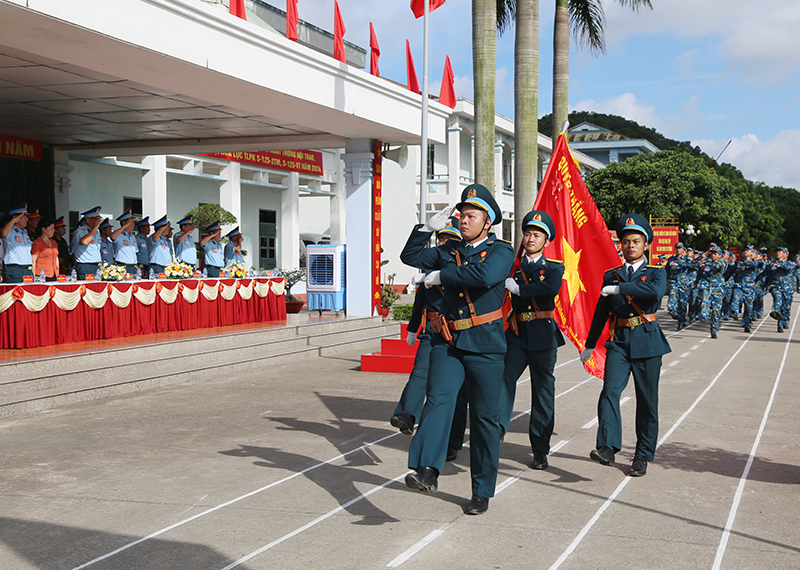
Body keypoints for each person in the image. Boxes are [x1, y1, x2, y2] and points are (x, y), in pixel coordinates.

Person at [399, 184, 514, 515]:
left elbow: (484, 275)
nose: (464, 220)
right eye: (461, 215)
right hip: (447, 342)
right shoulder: (448, 250)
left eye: (471, 215)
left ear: (487, 222)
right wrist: (425, 230)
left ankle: (481, 490)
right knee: (438, 400)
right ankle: (427, 470)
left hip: (485, 345)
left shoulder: (501, 251)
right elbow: (410, 257)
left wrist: (439, 276)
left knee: (484, 419)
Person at [580, 214, 671, 477]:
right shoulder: (612, 274)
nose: (630, 246)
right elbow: (601, 311)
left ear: (646, 245)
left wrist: (620, 290)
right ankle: (607, 446)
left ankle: (642, 454)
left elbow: (654, 293)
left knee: (647, 401)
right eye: (626, 241)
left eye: (636, 241)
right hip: (619, 341)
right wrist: (589, 344)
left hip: (647, 341)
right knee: (610, 390)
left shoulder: (656, 272)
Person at [501, 211, 565, 470]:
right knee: (502, 381)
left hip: (542, 335)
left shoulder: (553, 267)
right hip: (517, 334)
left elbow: (550, 288)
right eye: (527, 233)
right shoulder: (513, 267)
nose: (530, 238)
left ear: (545, 241)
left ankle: (540, 448)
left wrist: (520, 289)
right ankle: (496, 430)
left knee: (542, 393)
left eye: (537, 235)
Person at [390, 217, 462, 436]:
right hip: (432, 329)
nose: (443, 243)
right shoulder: (427, 269)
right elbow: (420, 302)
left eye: (449, 239)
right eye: (440, 238)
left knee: (448, 386)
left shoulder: (460, 265)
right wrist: (413, 329)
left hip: (457, 330)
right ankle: (407, 415)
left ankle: (451, 433)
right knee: (420, 370)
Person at [1, 203, 34, 283]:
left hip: (28, 270)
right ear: (16, 218)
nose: (27, 219)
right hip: (15, 270)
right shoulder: (10, 231)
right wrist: (13, 220)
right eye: (24, 216)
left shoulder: (25, 233)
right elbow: (3, 233)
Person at [698, 245, 725, 339]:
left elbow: (717, 267)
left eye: (715, 254)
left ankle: (714, 331)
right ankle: (704, 315)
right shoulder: (707, 261)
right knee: (704, 299)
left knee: (716, 312)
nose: (713, 255)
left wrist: (705, 264)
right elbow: (695, 264)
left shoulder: (722, 262)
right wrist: (703, 256)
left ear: (719, 255)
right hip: (707, 287)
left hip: (717, 290)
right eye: (712, 253)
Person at [71, 206, 103, 280]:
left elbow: (97, 249)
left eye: (99, 218)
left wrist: (100, 264)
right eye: (96, 219)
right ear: (88, 220)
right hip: (86, 266)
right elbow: (84, 242)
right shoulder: (81, 231)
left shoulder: (96, 232)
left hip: (96, 265)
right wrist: (95, 228)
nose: (98, 221)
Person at [768, 247, 795, 333]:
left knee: (786, 307)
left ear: (786, 254)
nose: (778, 253)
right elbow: (767, 274)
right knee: (777, 298)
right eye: (777, 251)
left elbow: (788, 268)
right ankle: (775, 311)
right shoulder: (772, 263)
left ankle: (783, 322)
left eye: (780, 251)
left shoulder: (790, 263)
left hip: (787, 289)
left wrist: (779, 265)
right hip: (776, 287)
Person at [112, 209, 138, 274]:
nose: (133, 224)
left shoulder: (132, 236)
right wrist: (124, 227)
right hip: (123, 265)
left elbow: (135, 252)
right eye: (131, 222)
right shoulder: (119, 234)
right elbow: (112, 236)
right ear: (124, 223)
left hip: (133, 266)